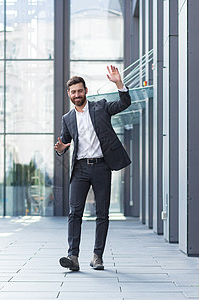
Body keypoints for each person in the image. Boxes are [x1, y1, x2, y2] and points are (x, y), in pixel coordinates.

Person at [54, 65, 132, 271]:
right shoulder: (67, 118)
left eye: (80, 91)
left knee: (102, 213)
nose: (77, 94)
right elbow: (64, 143)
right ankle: (73, 257)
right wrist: (61, 148)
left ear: (86, 91)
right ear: (69, 94)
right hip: (80, 168)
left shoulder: (102, 107)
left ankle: (97, 256)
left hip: (101, 167)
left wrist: (118, 83)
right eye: (73, 92)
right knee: (74, 213)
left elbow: (125, 103)